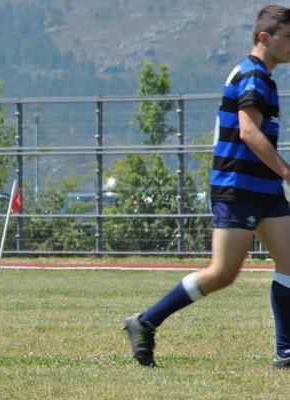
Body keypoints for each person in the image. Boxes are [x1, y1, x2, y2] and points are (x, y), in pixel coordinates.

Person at [123, 5, 290, 368]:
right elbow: (248, 132)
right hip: (239, 188)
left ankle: (286, 353)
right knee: (222, 273)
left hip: (264, 189)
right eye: (289, 37)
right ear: (265, 38)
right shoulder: (253, 76)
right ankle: (146, 321)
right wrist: (286, 171)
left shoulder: (261, 76)